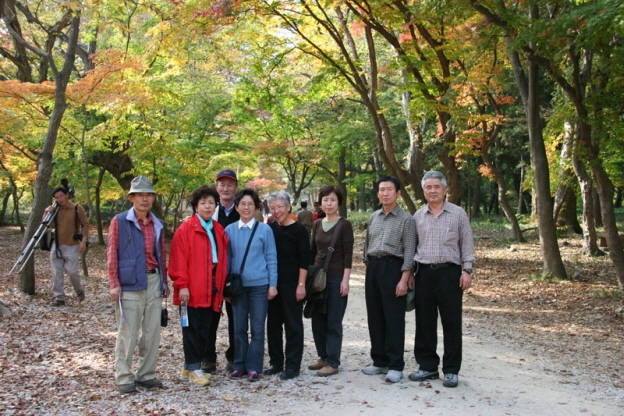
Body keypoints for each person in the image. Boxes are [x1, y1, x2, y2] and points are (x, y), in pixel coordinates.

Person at [408, 171, 474, 388]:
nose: (432, 190)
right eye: (428, 187)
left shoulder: (458, 214)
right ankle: (427, 366)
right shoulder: (418, 216)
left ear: (445, 189)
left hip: (450, 274)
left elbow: (467, 243)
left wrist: (467, 270)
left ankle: (452, 370)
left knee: (451, 322)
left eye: (437, 186)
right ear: (423, 191)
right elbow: (412, 247)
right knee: (424, 321)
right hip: (424, 274)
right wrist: (409, 274)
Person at [107, 176, 169, 395]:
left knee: (152, 332)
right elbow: (112, 252)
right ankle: (124, 377)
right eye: (140, 194)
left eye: (148, 195)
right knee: (128, 332)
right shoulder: (120, 221)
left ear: (153, 198)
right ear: (131, 197)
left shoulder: (157, 223)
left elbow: (160, 255)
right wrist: (114, 283)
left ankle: (146, 374)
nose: (145, 199)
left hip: (153, 280)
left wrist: (164, 281)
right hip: (129, 282)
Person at [169, 186, 228, 386]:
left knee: (205, 328)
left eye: (211, 202)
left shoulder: (218, 229)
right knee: (191, 328)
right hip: (191, 287)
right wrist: (182, 285)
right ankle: (194, 367)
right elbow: (177, 260)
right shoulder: (186, 229)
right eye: (203, 202)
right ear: (196, 206)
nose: (207, 206)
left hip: (211, 286)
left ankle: (190, 366)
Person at [362, 176, 416, 383]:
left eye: (389, 190)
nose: (385, 193)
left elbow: (410, 251)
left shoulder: (406, 220)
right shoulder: (374, 217)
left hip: (394, 268)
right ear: (378, 193)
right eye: (381, 190)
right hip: (373, 267)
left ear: (398, 193)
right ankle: (379, 361)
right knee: (375, 316)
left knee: (393, 318)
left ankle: (395, 365)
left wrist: (404, 278)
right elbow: (367, 245)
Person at [225, 188, 278, 382]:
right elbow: (226, 261)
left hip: (259, 286)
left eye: (250, 204)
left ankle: (255, 367)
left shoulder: (265, 230)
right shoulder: (229, 230)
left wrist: (273, 284)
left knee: (257, 328)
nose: (246, 208)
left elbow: (271, 258)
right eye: (242, 204)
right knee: (238, 328)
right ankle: (239, 365)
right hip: (238, 288)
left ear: (256, 207)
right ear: (237, 207)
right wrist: (226, 287)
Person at [308, 185, 354, 377]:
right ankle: (323, 356)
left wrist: (345, 280)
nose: (329, 203)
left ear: (339, 203)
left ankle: (333, 362)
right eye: (325, 199)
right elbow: (312, 252)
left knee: (333, 321)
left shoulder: (344, 225)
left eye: (332, 200)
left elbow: (348, 256)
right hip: (318, 279)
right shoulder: (317, 224)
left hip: (335, 278)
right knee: (317, 320)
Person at [266, 191, 309, 380]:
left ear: (288, 207)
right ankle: (276, 362)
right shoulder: (270, 228)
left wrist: (301, 285)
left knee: (293, 325)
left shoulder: (299, 230)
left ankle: (293, 365)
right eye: (273, 208)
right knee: (273, 325)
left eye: (280, 207)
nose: (276, 211)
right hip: (273, 284)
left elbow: (304, 260)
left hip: (293, 284)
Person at [207, 169, 240, 373]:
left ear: (235, 187)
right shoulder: (210, 210)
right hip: (212, 272)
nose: (226, 188)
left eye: (230, 184)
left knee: (236, 317)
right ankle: (207, 358)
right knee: (210, 316)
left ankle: (235, 356)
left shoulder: (244, 209)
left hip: (236, 272)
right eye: (222, 184)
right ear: (217, 187)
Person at [44, 186, 89, 306]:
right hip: (57, 245)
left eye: (61, 196)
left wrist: (83, 241)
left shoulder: (76, 208)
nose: (59, 199)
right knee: (56, 272)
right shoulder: (55, 210)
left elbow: (85, 224)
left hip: (72, 245)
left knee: (72, 271)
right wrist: (46, 212)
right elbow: (45, 225)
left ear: (67, 195)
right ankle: (59, 298)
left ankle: (79, 291)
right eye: (57, 197)